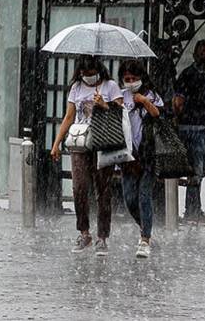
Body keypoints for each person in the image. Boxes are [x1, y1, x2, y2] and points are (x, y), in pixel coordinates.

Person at [50, 55, 123, 256]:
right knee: (79, 187)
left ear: (98, 70)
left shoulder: (110, 87)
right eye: (84, 74)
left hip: (103, 142)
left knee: (103, 190)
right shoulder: (76, 88)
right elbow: (69, 116)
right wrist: (57, 143)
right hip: (80, 143)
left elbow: (121, 113)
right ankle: (84, 232)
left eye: (91, 74)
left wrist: (104, 105)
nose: (87, 77)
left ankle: (102, 236)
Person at [119, 60, 163, 258]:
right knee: (129, 198)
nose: (130, 82)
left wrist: (144, 101)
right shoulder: (120, 96)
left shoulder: (151, 95)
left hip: (148, 155)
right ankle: (146, 226)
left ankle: (145, 238)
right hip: (128, 156)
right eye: (127, 79)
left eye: (134, 78)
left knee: (144, 195)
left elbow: (158, 114)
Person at [172, 39, 205, 226]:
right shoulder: (187, 75)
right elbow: (178, 102)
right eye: (204, 52)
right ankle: (192, 211)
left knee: (201, 171)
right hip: (192, 129)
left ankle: (194, 209)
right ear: (195, 55)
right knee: (195, 171)